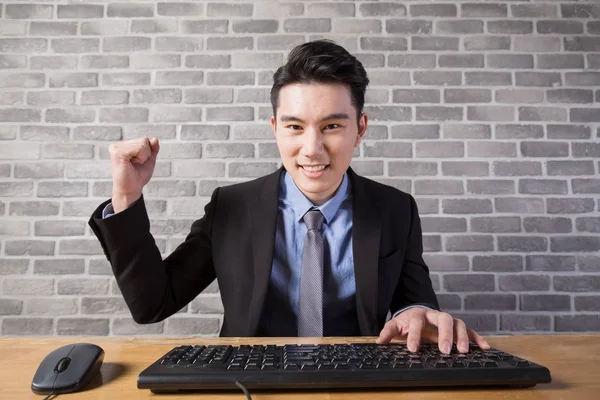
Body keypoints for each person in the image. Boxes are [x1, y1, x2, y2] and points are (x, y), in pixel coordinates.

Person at [89, 39, 490, 355]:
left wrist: (416, 314)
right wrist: (127, 196)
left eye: (332, 125)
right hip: (249, 382)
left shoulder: (395, 209)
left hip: (357, 383)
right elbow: (152, 305)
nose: (312, 149)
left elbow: (415, 304)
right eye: (295, 127)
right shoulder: (232, 207)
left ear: (360, 129)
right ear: (275, 128)